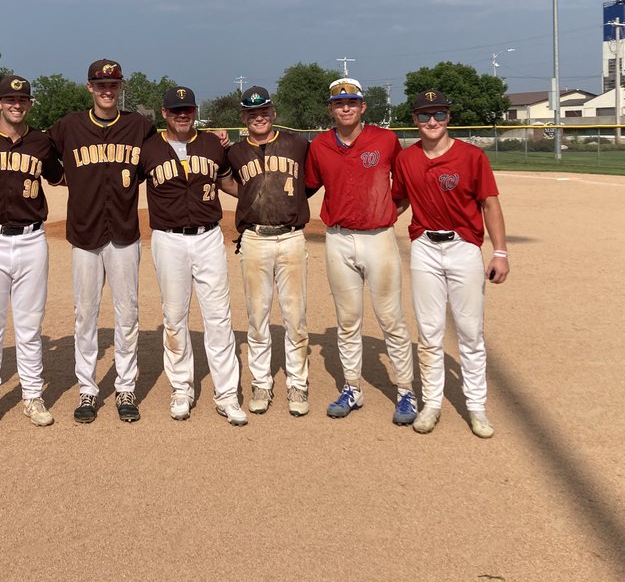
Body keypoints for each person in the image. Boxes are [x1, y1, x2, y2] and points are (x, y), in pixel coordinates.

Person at [392, 90, 510, 438]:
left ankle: (476, 407)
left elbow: (490, 204)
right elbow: (398, 200)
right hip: (425, 248)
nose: (432, 122)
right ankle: (431, 403)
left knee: (470, 332)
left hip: (463, 248)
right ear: (414, 119)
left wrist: (500, 252)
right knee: (428, 332)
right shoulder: (406, 159)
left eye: (439, 114)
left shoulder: (472, 157)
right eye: (425, 115)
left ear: (449, 118)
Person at [304, 78, 417, 425]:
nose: (346, 108)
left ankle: (405, 391)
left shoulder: (385, 140)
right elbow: (306, 187)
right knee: (347, 319)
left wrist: (390, 213)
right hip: (338, 238)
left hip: (378, 238)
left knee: (391, 318)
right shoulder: (321, 145)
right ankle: (352, 386)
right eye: (339, 103)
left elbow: (407, 182)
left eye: (352, 102)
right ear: (331, 109)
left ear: (363, 106)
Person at [48, 59, 156, 424]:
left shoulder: (139, 126)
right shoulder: (69, 127)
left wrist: (214, 138)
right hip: (84, 234)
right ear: (89, 88)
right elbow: (39, 152)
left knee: (128, 313)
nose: (107, 90)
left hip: (124, 234)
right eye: (100, 85)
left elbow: (168, 150)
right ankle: (88, 390)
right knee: (85, 315)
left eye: (113, 85)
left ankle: (126, 386)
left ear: (120, 87)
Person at [0, 76, 65, 432]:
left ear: (30, 104)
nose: (17, 104)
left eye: (23, 99)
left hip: (33, 239)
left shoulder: (41, 142)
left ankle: (33, 395)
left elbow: (58, 177)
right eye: (10, 99)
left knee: (30, 325)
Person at [140, 86, 248, 425]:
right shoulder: (148, 149)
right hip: (168, 239)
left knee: (218, 316)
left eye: (187, 109)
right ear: (164, 113)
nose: (182, 115)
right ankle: (182, 389)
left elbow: (229, 183)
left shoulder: (212, 145)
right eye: (176, 110)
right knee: (174, 317)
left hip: (208, 236)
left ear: (195, 111)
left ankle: (227, 394)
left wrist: (260, 198)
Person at [218, 86, 311, 416]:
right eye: (251, 114)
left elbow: (310, 181)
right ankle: (261, 382)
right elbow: (225, 181)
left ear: (272, 113)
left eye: (264, 112)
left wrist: (295, 200)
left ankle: (298, 385)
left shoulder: (297, 144)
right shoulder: (235, 153)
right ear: (243, 118)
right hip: (255, 238)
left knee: (295, 316)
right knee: (257, 317)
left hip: (291, 237)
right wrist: (246, 198)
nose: (259, 117)